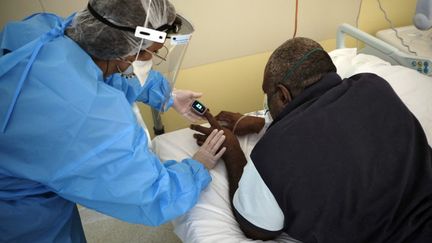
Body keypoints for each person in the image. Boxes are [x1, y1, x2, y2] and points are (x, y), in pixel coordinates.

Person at [0, 0, 227, 242]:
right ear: (129, 52)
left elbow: (96, 74)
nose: (153, 58)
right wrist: (197, 167)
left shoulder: (49, 30)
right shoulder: (89, 119)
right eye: (153, 52)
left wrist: (166, 95)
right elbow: (151, 194)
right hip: (20, 217)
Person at [191, 37, 432, 242]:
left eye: (268, 94)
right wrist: (264, 123)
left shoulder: (272, 154)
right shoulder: (374, 86)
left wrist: (233, 149)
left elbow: (256, 228)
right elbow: (336, 130)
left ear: (283, 95)